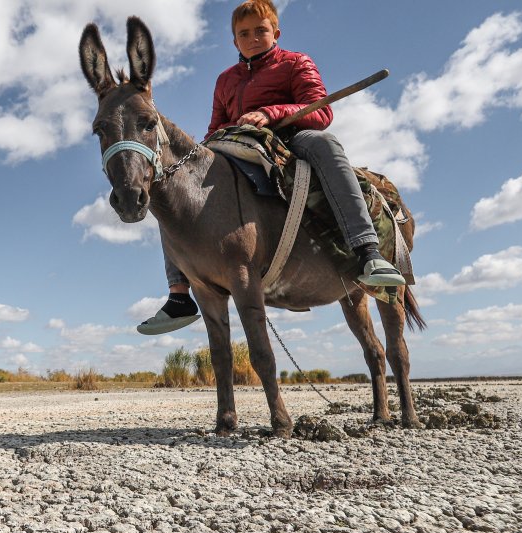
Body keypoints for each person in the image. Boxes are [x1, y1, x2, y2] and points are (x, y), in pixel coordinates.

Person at [137, 0, 405, 335]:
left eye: (260, 30)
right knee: (175, 182)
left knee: (327, 144)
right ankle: (179, 295)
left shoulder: (296, 63)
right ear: (235, 41)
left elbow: (321, 113)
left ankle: (368, 252)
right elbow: (214, 127)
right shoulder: (225, 80)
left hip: (292, 137)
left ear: (275, 32)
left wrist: (270, 114)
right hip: (237, 145)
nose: (253, 38)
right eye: (244, 33)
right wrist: (205, 150)